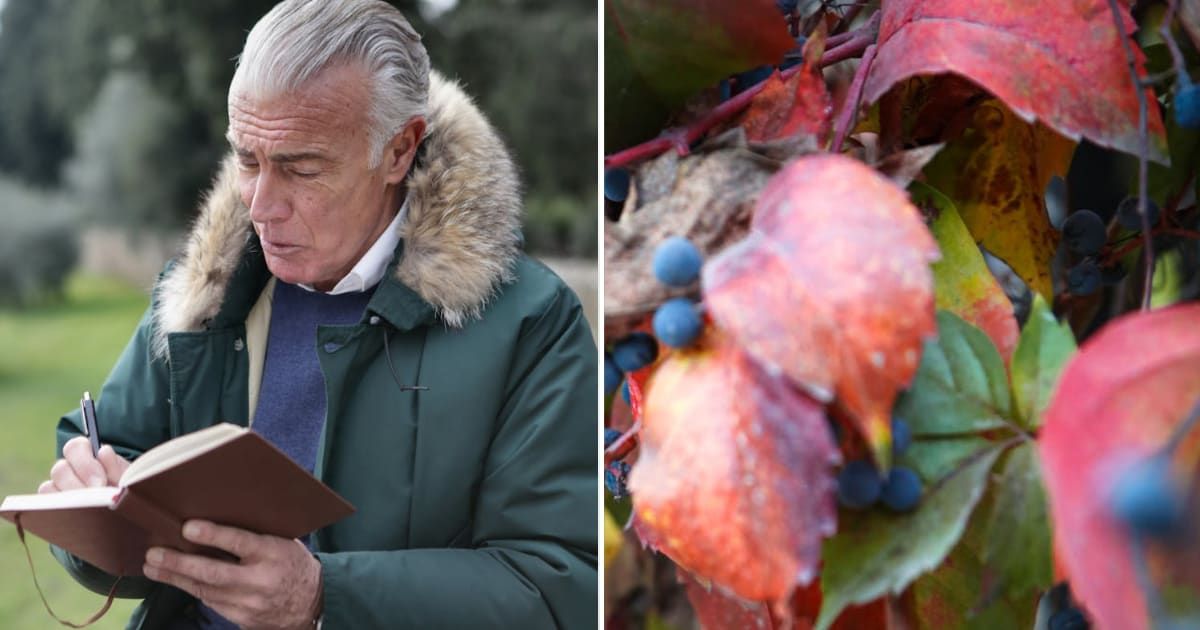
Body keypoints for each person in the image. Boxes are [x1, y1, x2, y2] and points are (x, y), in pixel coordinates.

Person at [37, 1, 598, 628]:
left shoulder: (532, 324)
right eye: (247, 160)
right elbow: (102, 453)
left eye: (301, 168)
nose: (261, 205)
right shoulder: (202, 296)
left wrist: (324, 598)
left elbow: (564, 586)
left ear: (399, 150)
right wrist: (87, 515)